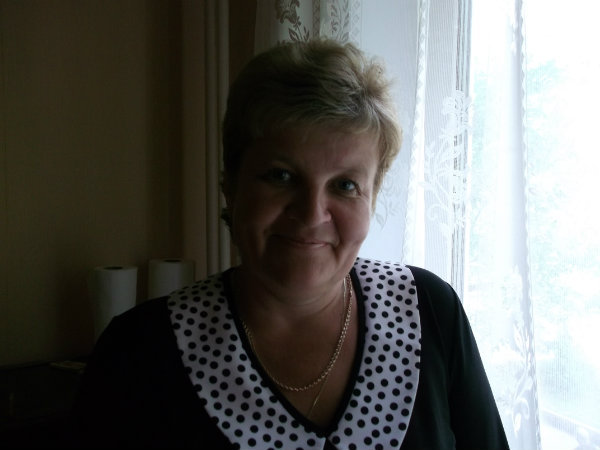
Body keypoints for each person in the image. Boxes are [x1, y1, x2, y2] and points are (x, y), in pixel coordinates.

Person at [70, 39, 509, 449]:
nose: (312, 214)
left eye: (345, 185)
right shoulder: (137, 352)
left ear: (373, 197)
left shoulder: (431, 312)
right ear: (231, 186)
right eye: (281, 175)